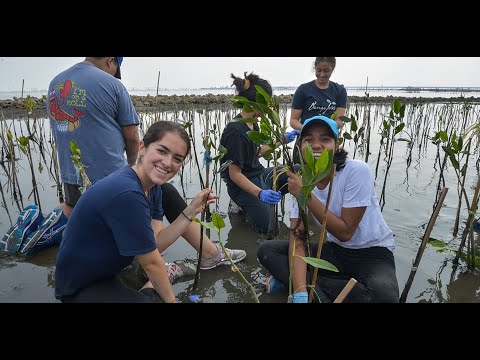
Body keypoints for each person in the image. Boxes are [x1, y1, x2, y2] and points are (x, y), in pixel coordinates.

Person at [55, 120, 246, 303]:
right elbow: (151, 263)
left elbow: (153, 244)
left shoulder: (152, 187)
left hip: (107, 272)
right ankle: (159, 279)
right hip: (80, 285)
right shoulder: (128, 193)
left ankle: (159, 279)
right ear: (142, 147)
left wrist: (191, 211)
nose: (167, 162)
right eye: (162, 151)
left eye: (177, 159)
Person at [1, 57, 140, 256]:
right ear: (111, 60)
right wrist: (132, 166)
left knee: (76, 209)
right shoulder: (113, 85)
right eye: (116, 69)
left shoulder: (55, 82)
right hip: (109, 174)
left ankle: (36, 228)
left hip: (70, 170)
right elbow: (132, 136)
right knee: (114, 225)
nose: (114, 74)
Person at [257, 115, 399, 303]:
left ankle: (305, 287)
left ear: (337, 144)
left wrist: (304, 195)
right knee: (267, 251)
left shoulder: (356, 171)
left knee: (384, 298)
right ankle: (309, 289)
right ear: (300, 146)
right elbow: (297, 238)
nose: (316, 145)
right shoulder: (300, 180)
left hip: (372, 254)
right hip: (335, 252)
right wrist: (300, 291)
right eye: (308, 140)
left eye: (325, 139)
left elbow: (345, 232)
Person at [219, 72, 299, 235]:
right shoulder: (236, 131)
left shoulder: (251, 123)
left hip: (260, 175)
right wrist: (260, 193)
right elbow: (234, 174)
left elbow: (254, 153)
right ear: (256, 104)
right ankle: (242, 207)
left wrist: (282, 140)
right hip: (242, 185)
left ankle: (257, 203)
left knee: (295, 170)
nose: (270, 108)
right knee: (269, 229)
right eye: (267, 103)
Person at [290, 57, 347, 164]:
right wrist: (309, 129)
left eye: (326, 71)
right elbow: (293, 120)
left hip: (328, 141)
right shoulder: (303, 90)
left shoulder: (339, 91)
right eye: (319, 70)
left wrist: (323, 131)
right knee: (301, 173)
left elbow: (339, 121)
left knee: (329, 174)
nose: (322, 74)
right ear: (314, 68)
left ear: (332, 69)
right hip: (306, 140)